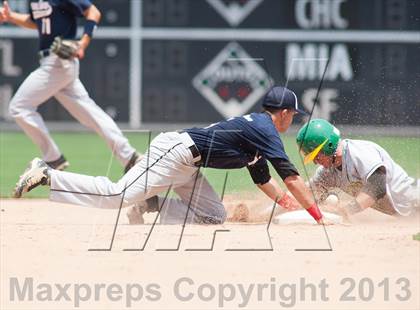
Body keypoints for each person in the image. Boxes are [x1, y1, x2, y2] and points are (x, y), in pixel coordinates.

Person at [13, 86, 327, 225]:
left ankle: (153, 203)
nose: (292, 121)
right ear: (283, 113)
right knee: (117, 195)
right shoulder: (266, 130)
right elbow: (293, 178)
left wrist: (287, 205)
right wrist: (317, 215)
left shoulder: (256, 131)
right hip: (175, 153)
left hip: (188, 164)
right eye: (292, 116)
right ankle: (48, 174)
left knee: (212, 216)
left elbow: (264, 179)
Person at [0, 0, 139, 172]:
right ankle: (129, 156)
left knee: (18, 107)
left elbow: (93, 12)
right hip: (54, 63)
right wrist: (11, 17)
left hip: (58, 62)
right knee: (90, 113)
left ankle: (53, 158)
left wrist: (83, 43)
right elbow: (37, 22)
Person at [296, 119, 419, 217]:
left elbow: (378, 186)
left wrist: (346, 211)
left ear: (328, 145)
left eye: (316, 156)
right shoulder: (327, 172)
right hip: (407, 213)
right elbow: (304, 192)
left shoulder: (358, 152)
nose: (315, 162)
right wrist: (282, 205)